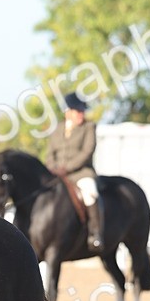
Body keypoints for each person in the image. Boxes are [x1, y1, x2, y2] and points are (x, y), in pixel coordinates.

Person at [46, 92, 102, 250]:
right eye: (78, 111)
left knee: (90, 192)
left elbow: (87, 152)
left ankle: (95, 233)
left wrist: (67, 168)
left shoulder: (88, 127)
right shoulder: (58, 129)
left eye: (82, 111)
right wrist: (52, 168)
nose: (81, 114)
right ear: (68, 112)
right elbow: (50, 154)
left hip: (80, 173)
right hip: (57, 173)